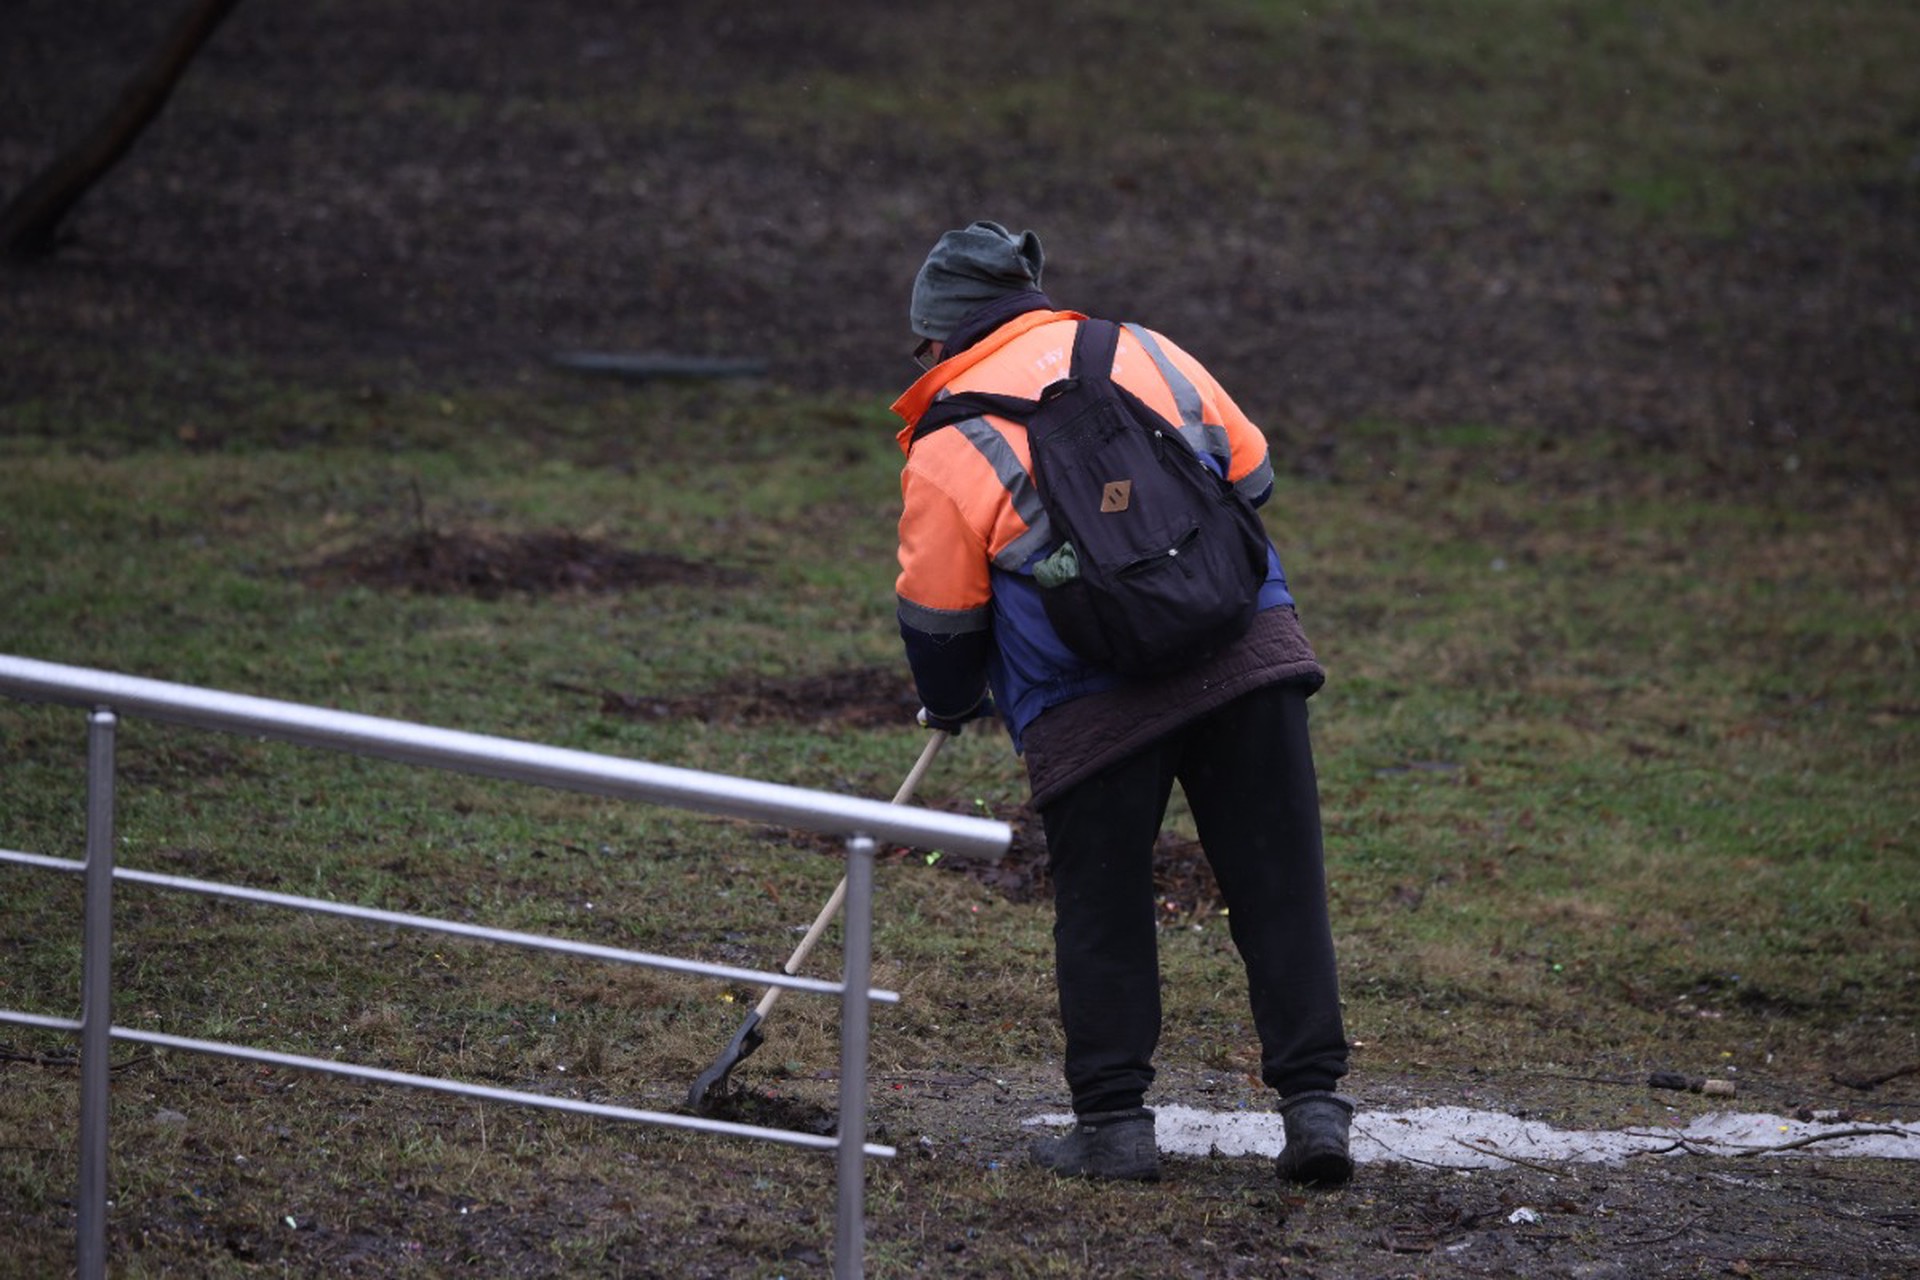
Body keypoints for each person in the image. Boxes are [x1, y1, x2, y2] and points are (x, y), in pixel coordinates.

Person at [888, 221, 1355, 1186]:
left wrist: (950, 699)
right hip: (1245, 653)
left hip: (1087, 700)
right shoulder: (1145, 349)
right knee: (1279, 885)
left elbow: (939, 615)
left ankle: (1113, 1127)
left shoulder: (948, 439)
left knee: (1104, 908)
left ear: (942, 336)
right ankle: (1315, 1113)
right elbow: (1253, 477)